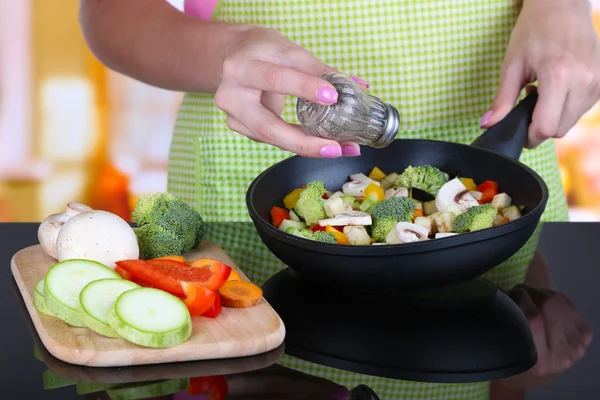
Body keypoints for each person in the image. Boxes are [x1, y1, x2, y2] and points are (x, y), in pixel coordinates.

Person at [79, 0, 595, 398]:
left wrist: (562, 5)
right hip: (247, 164)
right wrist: (226, 51)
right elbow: (111, 14)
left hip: (487, 181)